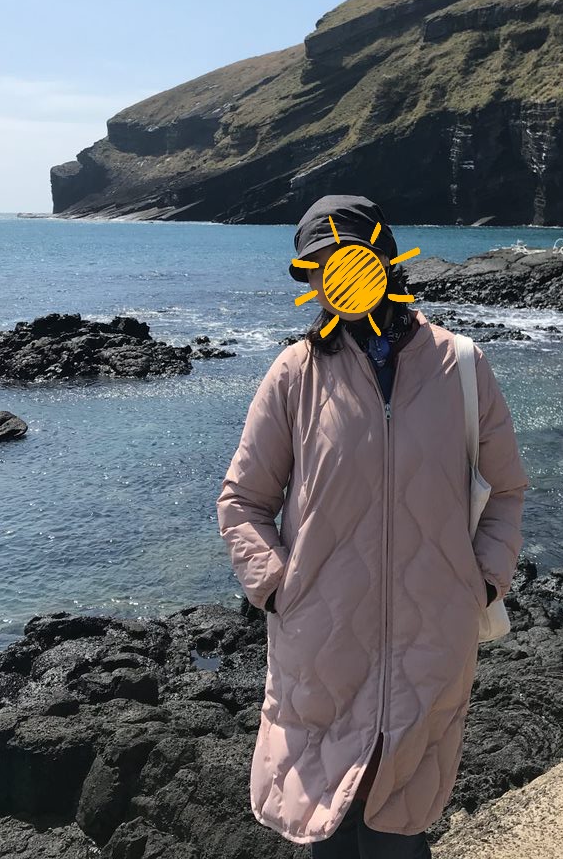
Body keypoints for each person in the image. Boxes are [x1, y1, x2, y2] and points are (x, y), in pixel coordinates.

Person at [216, 194, 530, 855]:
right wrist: (279, 588)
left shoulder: (461, 366)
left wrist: (479, 583)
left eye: (348, 259)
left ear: (385, 260)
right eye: (319, 268)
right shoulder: (294, 375)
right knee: (324, 832)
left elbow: (506, 490)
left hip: (430, 648)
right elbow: (242, 500)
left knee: (400, 835)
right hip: (320, 651)